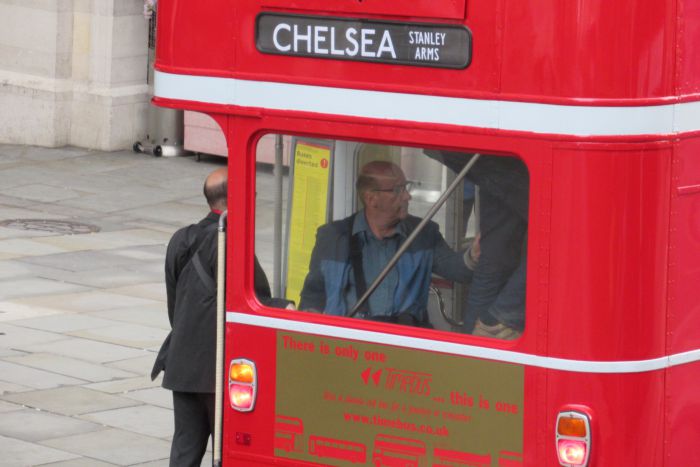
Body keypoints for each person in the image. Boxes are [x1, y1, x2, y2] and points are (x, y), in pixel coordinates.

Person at [151, 167, 274, 466]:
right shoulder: (232, 243)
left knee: (185, 450)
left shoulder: (181, 239)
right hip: (218, 368)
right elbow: (257, 300)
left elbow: (175, 305)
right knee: (227, 451)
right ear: (238, 198)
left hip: (182, 363)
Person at [299, 161, 477, 326]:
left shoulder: (423, 234)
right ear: (371, 199)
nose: (407, 196)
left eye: (406, 188)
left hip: (405, 343)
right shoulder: (332, 237)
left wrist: (474, 254)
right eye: (398, 190)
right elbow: (313, 294)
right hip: (350, 345)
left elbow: (456, 269)